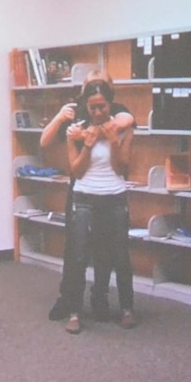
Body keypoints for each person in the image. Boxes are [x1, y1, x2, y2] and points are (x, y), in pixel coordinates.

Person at [41, 78, 137, 333]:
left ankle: (126, 308)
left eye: (102, 107)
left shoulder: (124, 126)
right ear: (86, 105)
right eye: (92, 107)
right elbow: (77, 171)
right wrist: (88, 143)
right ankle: (74, 312)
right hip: (84, 198)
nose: (97, 112)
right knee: (79, 255)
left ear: (110, 105)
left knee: (119, 254)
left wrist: (113, 140)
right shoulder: (76, 130)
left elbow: (122, 166)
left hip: (114, 198)